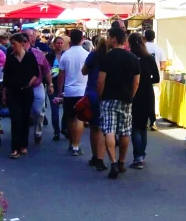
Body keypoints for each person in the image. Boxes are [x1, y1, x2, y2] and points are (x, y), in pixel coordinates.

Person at [98, 26, 141, 179]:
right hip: (126, 99)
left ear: (114, 39)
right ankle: (122, 162)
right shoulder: (133, 58)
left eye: (109, 38)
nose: (108, 40)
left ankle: (113, 162)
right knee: (124, 131)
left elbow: (101, 80)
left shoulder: (107, 57)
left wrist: (101, 96)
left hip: (109, 98)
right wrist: (131, 96)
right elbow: (136, 82)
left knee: (109, 129)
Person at [2, 32, 40, 158]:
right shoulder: (11, 57)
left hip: (26, 92)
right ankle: (15, 148)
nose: (12, 46)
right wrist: (4, 93)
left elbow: (36, 72)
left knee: (24, 119)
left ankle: (23, 144)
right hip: (13, 92)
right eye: (11, 44)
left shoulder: (29, 57)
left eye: (14, 44)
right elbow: (6, 77)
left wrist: (30, 82)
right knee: (15, 119)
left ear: (22, 43)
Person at [128, 32, 160, 170]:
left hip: (134, 94)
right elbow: (157, 78)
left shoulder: (130, 58)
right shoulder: (149, 58)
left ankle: (138, 157)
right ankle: (141, 155)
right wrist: (147, 80)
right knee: (143, 126)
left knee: (135, 126)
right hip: (147, 93)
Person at [58, 28, 89, 157]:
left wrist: (60, 91)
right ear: (82, 39)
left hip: (69, 90)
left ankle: (72, 143)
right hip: (83, 90)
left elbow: (61, 75)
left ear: (70, 39)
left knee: (70, 118)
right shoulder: (86, 54)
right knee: (80, 118)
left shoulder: (66, 55)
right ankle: (76, 145)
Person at [82, 36, 109, 171]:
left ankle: (95, 156)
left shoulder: (93, 55)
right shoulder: (111, 56)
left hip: (92, 92)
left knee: (94, 127)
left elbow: (84, 71)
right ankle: (101, 158)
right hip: (107, 94)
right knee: (104, 128)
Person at [23, 28, 53, 144]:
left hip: (36, 86)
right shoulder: (14, 52)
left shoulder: (38, 53)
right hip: (21, 87)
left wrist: (50, 84)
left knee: (38, 110)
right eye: (26, 35)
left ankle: (38, 132)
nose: (29, 38)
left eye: (31, 35)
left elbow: (46, 70)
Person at [144, 29, 166, 130]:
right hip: (155, 78)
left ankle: (143, 120)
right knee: (155, 99)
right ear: (154, 37)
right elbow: (163, 65)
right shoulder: (159, 49)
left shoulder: (142, 47)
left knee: (143, 98)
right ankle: (153, 122)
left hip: (143, 77)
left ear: (145, 37)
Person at [49, 35, 66, 141]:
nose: (59, 45)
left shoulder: (66, 55)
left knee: (66, 110)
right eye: (57, 43)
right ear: (53, 44)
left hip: (65, 86)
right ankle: (56, 131)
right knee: (54, 110)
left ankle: (65, 128)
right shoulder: (49, 57)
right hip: (53, 85)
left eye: (61, 43)